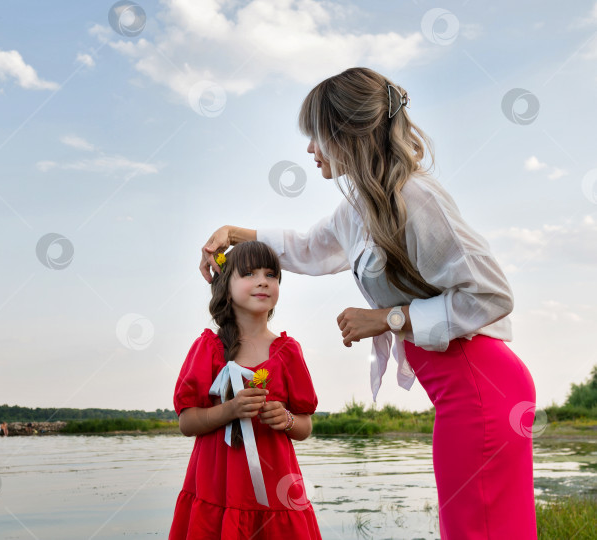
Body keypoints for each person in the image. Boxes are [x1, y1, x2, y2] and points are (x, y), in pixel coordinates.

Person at [199, 67, 537, 539]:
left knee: (477, 530)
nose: (310, 149)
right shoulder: (360, 204)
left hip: (480, 386)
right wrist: (236, 233)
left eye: (315, 136)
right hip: (459, 389)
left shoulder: (415, 200)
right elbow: (309, 245)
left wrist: (386, 319)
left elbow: (493, 295)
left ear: (345, 134)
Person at [170, 240, 321, 539]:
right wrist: (231, 410)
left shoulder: (288, 352)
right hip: (218, 488)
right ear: (226, 286)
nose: (263, 281)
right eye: (249, 273)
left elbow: (304, 426)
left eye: (271, 274)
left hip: (276, 488)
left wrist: (286, 419)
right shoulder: (208, 349)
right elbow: (187, 423)